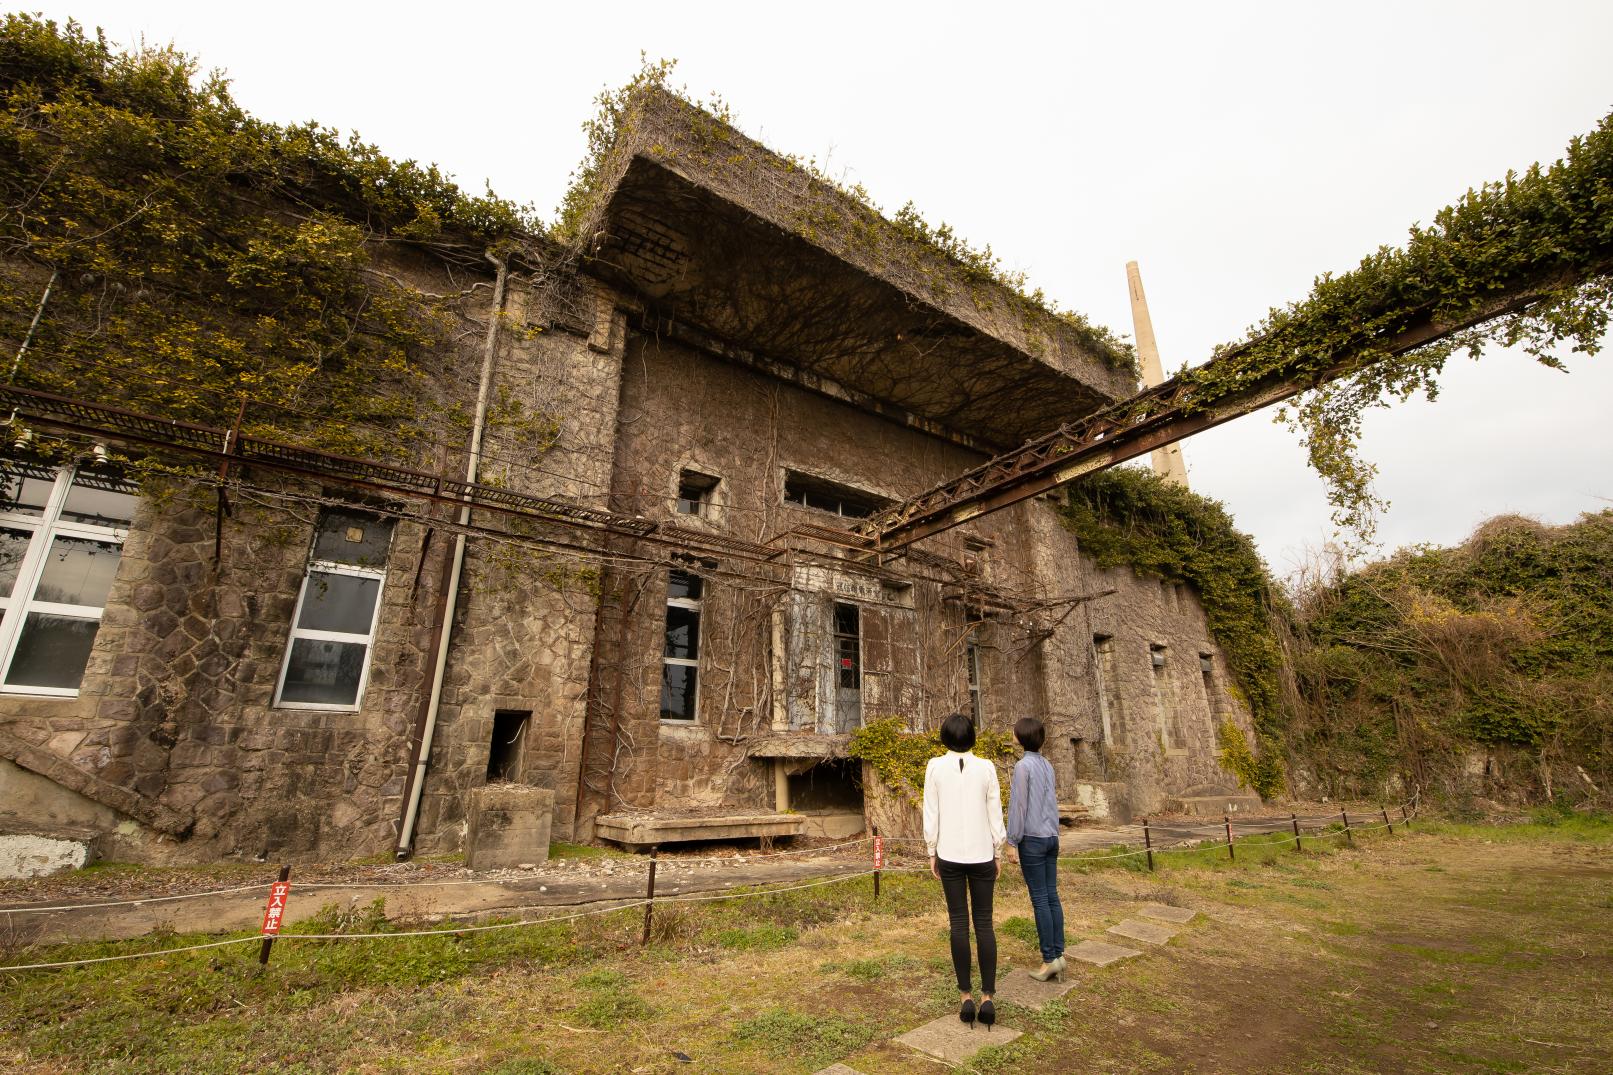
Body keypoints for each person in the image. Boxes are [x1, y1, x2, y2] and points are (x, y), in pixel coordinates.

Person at [923, 712, 1007, 1030]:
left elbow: (931, 812)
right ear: (972, 737)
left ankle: (965, 997)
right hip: (983, 853)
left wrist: (931, 850)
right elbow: (994, 814)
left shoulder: (934, 766)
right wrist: (998, 851)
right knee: (984, 923)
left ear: (945, 737)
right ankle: (987, 998)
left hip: (949, 855)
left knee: (958, 924)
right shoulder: (986, 767)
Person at [1006, 715, 1065, 981]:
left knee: (1040, 899)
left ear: (1022, 737)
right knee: (1052, 896)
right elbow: (1051, 803)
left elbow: (1019, 806)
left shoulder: (1022, 767)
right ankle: (1059, 954)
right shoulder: (1047, 765)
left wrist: (1011, 840)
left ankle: (1049, 958)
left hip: (1032, 839)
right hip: (1051, 836)